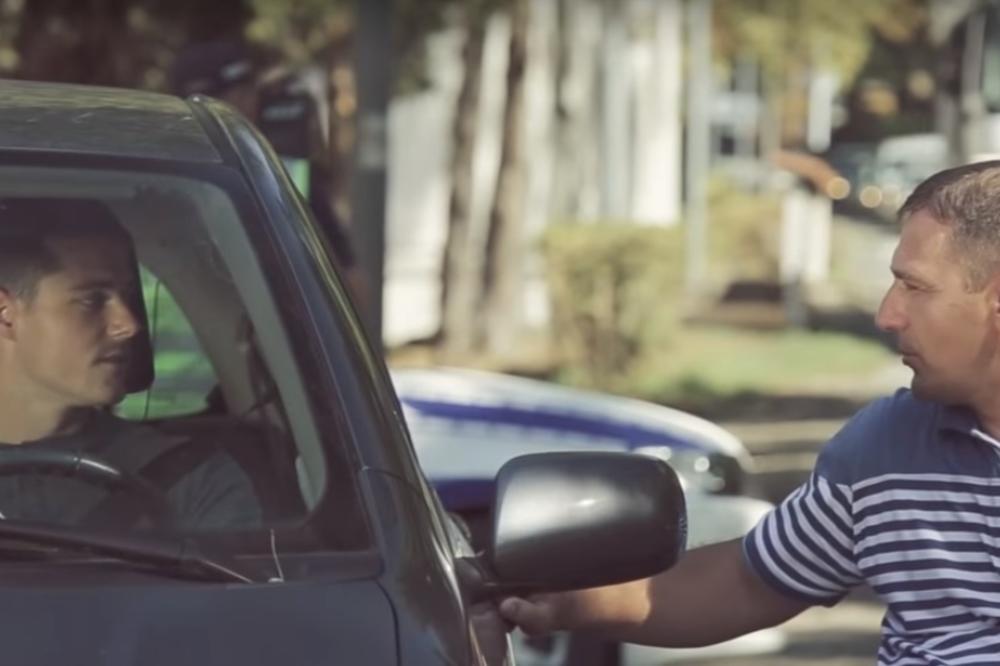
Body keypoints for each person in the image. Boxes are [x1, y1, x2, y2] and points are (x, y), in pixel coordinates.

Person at [500, 160, 1000, 664]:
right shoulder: (890, 444)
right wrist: (562, 601)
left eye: (915, 287)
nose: (887, 314)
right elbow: (747, 582)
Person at [0, 198, 260, 529]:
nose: (129, 324)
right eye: (92, 299)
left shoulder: (189, 479)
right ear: (5, 315)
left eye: (128, 296)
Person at [168, 39, 368, 309]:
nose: (249, 104)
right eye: (236, 95)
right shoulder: (161, 180)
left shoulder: (291, 173)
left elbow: (350, 283)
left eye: (250, 92)